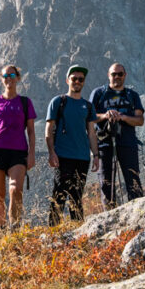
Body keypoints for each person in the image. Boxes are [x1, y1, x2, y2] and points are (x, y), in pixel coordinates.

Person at [0, 64, 36, 231]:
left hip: (18, 151)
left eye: (12, 75)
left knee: (16, 189)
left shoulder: (25, 102)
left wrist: (31, 154)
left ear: (18, 78)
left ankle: (15, 229)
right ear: (1, 79)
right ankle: (0, 231)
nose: (8, 78)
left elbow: (31, 131)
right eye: (5, 76)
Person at [45, 65, 100, 225]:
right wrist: (51, 152)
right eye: (74, 78)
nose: (77, 81)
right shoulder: (58, 102)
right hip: (62, 156)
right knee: (59, 196)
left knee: (76, 197)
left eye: (80, 79)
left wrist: (96, 156)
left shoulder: (88, 106)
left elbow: (91, 133)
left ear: (83, 82)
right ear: (67, 80)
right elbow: (48, 130)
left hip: (83, 158)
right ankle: (53, 232)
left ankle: (78, 231)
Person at [89, 63, 145, 207]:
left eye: (120, 74)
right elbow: (89, 117)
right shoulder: (98, 93)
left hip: (128, 143)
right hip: (104, 143)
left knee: (133, 181)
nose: (117, 77)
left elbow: (140, 120)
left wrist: (123, 117)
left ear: (125, 75)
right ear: (109, 75)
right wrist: (105, 116)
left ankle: (137, 213)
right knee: (106, 183)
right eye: (114, 74)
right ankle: (109, 214)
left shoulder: (132, 95)